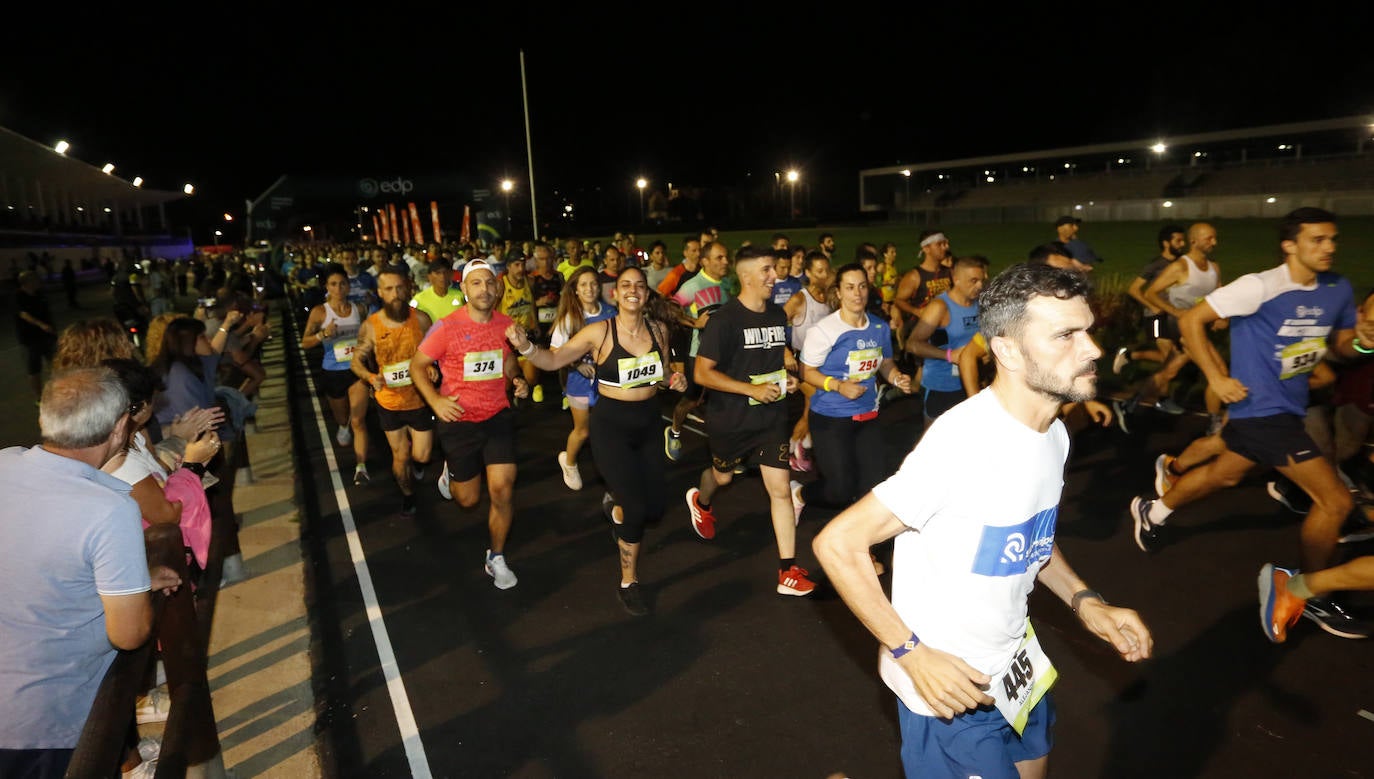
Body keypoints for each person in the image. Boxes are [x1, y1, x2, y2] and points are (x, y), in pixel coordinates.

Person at [813, 263, 1152, 779]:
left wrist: (1086, 602)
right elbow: (838, 544)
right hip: (953, 692)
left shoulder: (1053, 434)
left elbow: (1031, 538)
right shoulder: (964, 444)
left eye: (1086, 330)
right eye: (1065, 335)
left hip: (1017, 665)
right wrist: (911, 653)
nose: (1092, 349)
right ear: (1008, 350)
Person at [1127, 208, 1374, 640]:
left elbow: (1340, 345)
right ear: (1290, 244)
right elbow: (1191, 321)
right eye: (1317, 240)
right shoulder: (1259, 286)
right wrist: (1217, 378)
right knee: (1335, 502)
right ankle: (1305, 591)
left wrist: (1360, 342)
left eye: (1332, 239)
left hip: (1291, 404)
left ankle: (1155, 509)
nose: (1329, 247)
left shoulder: (1337, 289)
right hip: (1261, 407)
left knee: (1225, 475)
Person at [0, 368, 182, 778]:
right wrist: (130, 596)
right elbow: (129, 633)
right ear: (120, 429)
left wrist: (124, 580)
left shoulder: (5, 463)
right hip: (46, 718)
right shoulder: (109, 509)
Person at [507, 266, 686, 616]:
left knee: (655, 509)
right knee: (636, 509)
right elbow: (554, 358)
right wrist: (526, 346)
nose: (633, 290)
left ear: (646, 295)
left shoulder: (659, 330)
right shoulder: (598, 332)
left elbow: (661, 372)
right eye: (625, 286)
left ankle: (618, 511)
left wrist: (673, 381)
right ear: (614, 295)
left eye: (639, 285)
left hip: (649, 423)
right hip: (611, 427)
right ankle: (628, 582)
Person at [684, 246, 816, 596]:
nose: (775, 276)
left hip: (770, 418)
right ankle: (702, 500)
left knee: (780, 491)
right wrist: (749, 390)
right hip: (731, 419)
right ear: (746, 277)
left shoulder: (775, 315)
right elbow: (701, 372)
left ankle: (787, 571)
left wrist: (786, 382)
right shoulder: (724, 320)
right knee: (723, 477)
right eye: (767, 270)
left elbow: (771, 361)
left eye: (773, 269)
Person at [410, 259, 528, 590]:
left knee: (503, 490)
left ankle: (497, 557)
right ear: (463, 289)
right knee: (468, 500)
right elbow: (417, 365)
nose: (484, 289)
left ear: (497, 288)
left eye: (489, 283)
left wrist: (516, 378)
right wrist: (435, 401)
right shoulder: (446, 326)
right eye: (476, 283)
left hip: (497, 416)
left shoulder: (506, 324)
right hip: (459, 420)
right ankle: (451, 471)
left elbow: (507, 359)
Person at [793, 262, 911, 521]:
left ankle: (863, 547)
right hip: (830, 419)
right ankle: (799, 495)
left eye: (862, 286)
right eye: (849, 287)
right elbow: (806, 372)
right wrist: (837, 385)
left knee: (873, 488)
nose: (857, 293)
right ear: (839, 292)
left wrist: (896, 377)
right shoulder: (824, 330)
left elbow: (885, 362)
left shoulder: (879, 327)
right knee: (840, 491)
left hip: (868, 416)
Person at [1114, 223, 1222, 423]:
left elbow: (1216, 295)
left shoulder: (1212, 267)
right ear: (1194, 240)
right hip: (1172, 323)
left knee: (1169, 369)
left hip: (1193, 326)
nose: (1214, 243)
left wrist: (1218, 317)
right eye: (1209, 238)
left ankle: (1130, 404)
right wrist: (1166, 310)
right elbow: (1141, 290)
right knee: (1218, 373)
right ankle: (1215, 424)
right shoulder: (1170, 266)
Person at [352, 266, 435, 516]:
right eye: (389, 289)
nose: (396, 294)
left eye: (400, 287)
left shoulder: (421, 319)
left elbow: (434, 351)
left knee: (422, 455)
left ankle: (417, 464)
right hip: (389, 402)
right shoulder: (371, 326)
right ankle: (408, 495)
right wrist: (370, 376)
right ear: (380, 293)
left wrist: (431, 367)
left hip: (419, 398)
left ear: (408, 287)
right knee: (400, 455)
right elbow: (356, 360)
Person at [299, 264, 371, 483]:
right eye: (333, 284)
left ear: (348, 287)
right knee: (343, 418)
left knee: (358, 421)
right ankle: (342, 425)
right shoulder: (320, 312)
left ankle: (361, 466)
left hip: (356, 370)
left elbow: (369, 339)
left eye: (342, 284)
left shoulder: (359, 310)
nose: (338, 288)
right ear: (327, 288)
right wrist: (322, 334)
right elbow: (305, 343)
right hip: (332, 372)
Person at [549, 266, 617, 490]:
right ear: (575, 290)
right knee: (583, 430)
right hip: (578, 383)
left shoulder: (611, 312)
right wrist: (576, 364)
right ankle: (568, 462)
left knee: (608, 427)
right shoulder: (570, 318)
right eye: (584, 284)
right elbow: (553, 351)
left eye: (594, 284)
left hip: (607, 382)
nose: (590, 288)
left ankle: (613, 469)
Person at [664, 240, 731, 461]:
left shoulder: (728, 284)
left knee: (723, 403)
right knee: (691, 400)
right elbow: (671, 309)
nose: (726, 261)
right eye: (719, 258)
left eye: (726, 257)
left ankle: (725, 454)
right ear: (705, 261)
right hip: (698, 354)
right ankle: (674, 431)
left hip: (724, 354)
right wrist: (695, 323)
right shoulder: (693, 285)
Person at [906, 257, 989, 427]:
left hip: (972, 382)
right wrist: (950, 355)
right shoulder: (940, 307)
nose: (980, 286)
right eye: (973, 281)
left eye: (982, 280)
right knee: (934, 442)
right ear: (956, 279)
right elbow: (912, 344)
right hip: (942, 386)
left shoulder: (980, 304)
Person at [783, 250, 835, 471]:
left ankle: (798, 446)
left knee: (811, 408)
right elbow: (774, 326)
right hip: (802, 364)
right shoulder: (799, 299)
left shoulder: (832, 299)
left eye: (827, 270)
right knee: (816, 404)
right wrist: (785, 353)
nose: (825, 275)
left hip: (825, 365)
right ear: (808, 273)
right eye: (819, 271)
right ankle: (795, 447)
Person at [1113, 224, 1187, 375]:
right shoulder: (1155, 265)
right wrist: (1152, 307)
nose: (1183, 244)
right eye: (1178, 241)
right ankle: (1160, 392)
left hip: (1174, 314)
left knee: (1175, 356)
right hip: (1156, 316)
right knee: (1169, 357)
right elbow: (1134, 289)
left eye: (1183, 240)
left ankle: (1129, 355)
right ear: (1166, 243)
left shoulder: (1183, 263)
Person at [15, 270, 58, 399]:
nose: (39, 281)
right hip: (30, 339)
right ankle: (39, 397)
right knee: (34, 370)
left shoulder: (40, 294)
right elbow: (23, 314)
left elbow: (47, 313)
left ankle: (57, 391)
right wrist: (41, 325)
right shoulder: (18, 296)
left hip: (47, 336)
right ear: (27, 282)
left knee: (55, 364)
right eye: (36, 279)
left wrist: (52, 329)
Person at [412, 257, 465, 325]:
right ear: (430, 276)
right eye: (438, 273)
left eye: (445, 272)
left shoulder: (460, 296)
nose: (442, 276)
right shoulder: (418, 300)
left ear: (451, 274)